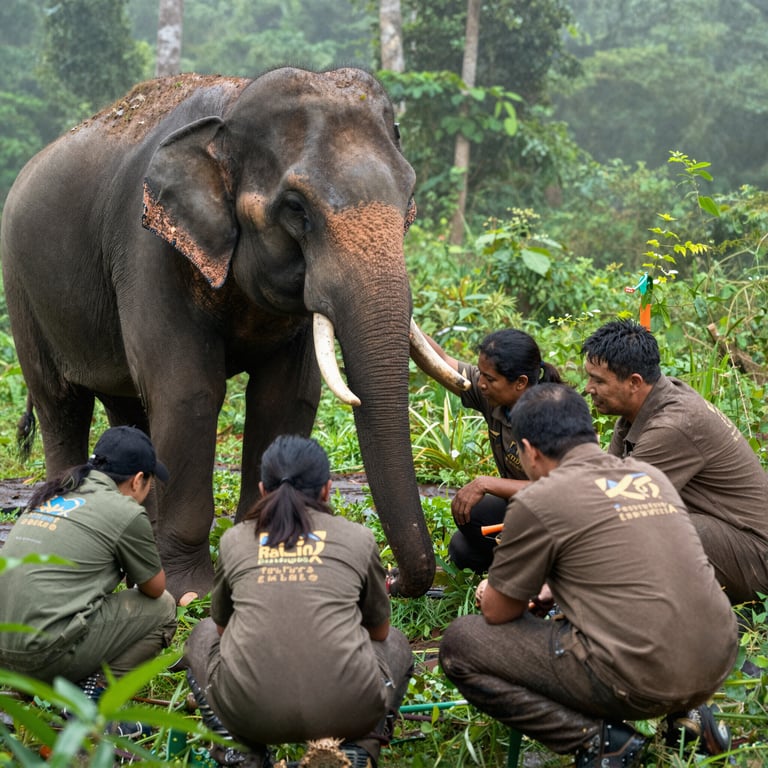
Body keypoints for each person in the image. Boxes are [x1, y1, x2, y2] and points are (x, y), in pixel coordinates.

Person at [439, 383, 738, 767]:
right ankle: (692, 717)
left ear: (528, 450)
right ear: (593, 435)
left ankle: (602, 744)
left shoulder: (537, 500)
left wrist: (492, 589)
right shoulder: (648, 476)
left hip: (639, 678)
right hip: (718, 657)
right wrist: (555, 591)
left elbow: (499, 612)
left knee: (463, 642)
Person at [183, 435, 413, 768]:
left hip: (251, 714)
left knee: (202, 634)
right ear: (327, 489)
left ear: (262, 489)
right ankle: (359, 749)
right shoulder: (358, 538)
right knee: (396, 643)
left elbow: (220, 628)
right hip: (349, 712)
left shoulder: (235, 540)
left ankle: (240, 753)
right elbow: (379, 633)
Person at [582, 318, 768, 605]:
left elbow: (612, 505)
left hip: (756, 556)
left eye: (598, 380)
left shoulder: (674, 425)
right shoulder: (638, 411)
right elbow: (602, 483)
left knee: (648, 527)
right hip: (727, 535)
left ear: (634, 382)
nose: (588, 388)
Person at [0, 426, 177, 690]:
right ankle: (95, 697)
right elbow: (154, 588)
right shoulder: (124, 510)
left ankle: (30, 687)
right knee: (164, 608)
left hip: (4, 653)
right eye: (150, 483)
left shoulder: (53, 494)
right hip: (39, 655)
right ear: (138, 480)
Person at [424, 328, 562, 573]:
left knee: (476, 511)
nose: (481, 384)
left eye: (489, 379)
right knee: (462, 547)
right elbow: (442, 362)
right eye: (481, 375)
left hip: (558, 517)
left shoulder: (552, 415)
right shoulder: (496, 394)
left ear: (521, 383)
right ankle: (519, 563)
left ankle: (543, 569)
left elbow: (559, 489)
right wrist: (402, 322)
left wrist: (485, 484)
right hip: (522, 506)